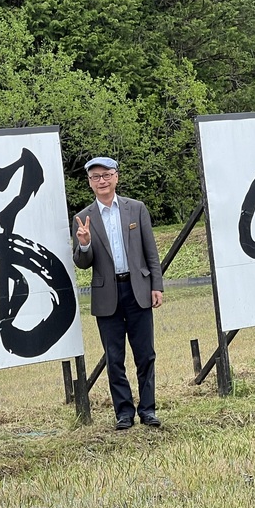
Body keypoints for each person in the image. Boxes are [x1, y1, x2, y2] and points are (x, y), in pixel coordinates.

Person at [73, 157, 163, 430]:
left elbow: (150, 251)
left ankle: (148, 409)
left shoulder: (136, 209)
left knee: (145, 354)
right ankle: (124, 412)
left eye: (106, 175)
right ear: (90, 183)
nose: (101, 181)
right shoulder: (83, 217)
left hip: (138, 289)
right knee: (114, 358)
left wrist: (156, 285)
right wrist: (85, 244)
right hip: (107, 295)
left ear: (116, 177)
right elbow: (82, 262)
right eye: (95, 177)